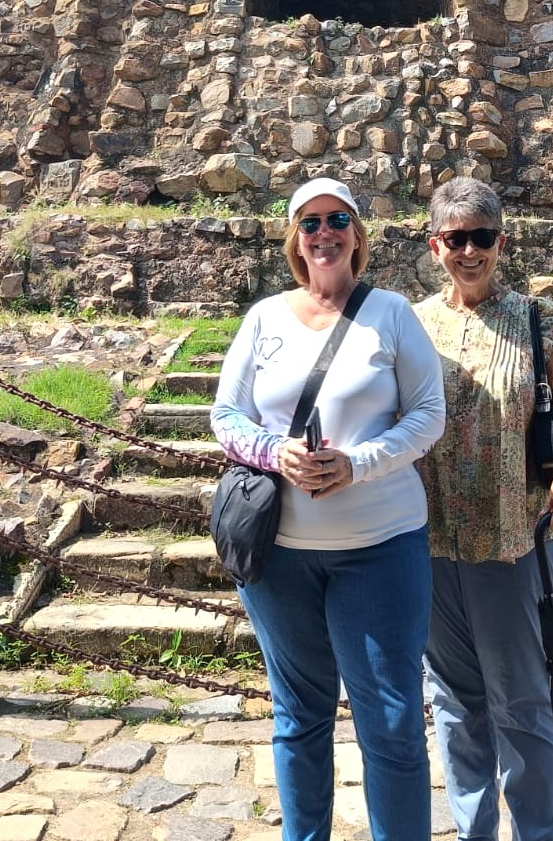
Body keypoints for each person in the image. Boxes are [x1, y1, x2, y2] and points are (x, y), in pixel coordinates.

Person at [211, 176, 445, 841]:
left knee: (393, 722)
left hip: (381, 545)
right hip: (281, 555)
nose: (324, 233)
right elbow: (226, 415)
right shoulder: (264, 318)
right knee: (299, 715)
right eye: (310, 222)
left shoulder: (392, 314)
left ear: (356, 234)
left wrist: (359, 463)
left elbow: (430, 414)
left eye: (337, 219)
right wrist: (270, 452)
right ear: (295, 238)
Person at [413, 177, 553, 841]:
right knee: (457, 705)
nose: (470, 252)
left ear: (502, 240)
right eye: (456, 238)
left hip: (513, 540)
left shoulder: (537, 319)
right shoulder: (412, 324)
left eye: (483, 237)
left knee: (522, 705)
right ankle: (474, 830)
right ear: (435, 244)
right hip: (431, 542)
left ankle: (535, 832)